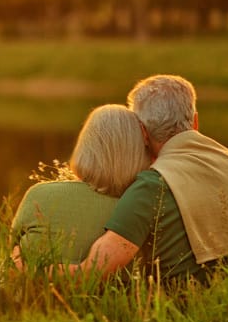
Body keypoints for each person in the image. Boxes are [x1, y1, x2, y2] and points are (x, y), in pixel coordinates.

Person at [75, 75, 228, 282]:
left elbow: (92, 273)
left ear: (143, 133)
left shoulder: (153, 185)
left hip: (184, 307)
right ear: (195, 121)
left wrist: (46, 270)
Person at [11, 104, 151, 266]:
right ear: (138, 153)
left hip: (30, 288)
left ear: (85, 146)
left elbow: (12, 246)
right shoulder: (139, 209)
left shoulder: (39, 195)